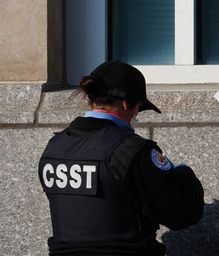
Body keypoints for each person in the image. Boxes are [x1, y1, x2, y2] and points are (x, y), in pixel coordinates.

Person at [38, 60, 204, 255]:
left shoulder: (55, 146)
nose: (135, 115)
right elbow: (179, 214)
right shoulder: (130, 150)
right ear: (127, 103)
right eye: (138, 109)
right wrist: (184, 175)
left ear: (90, 99)